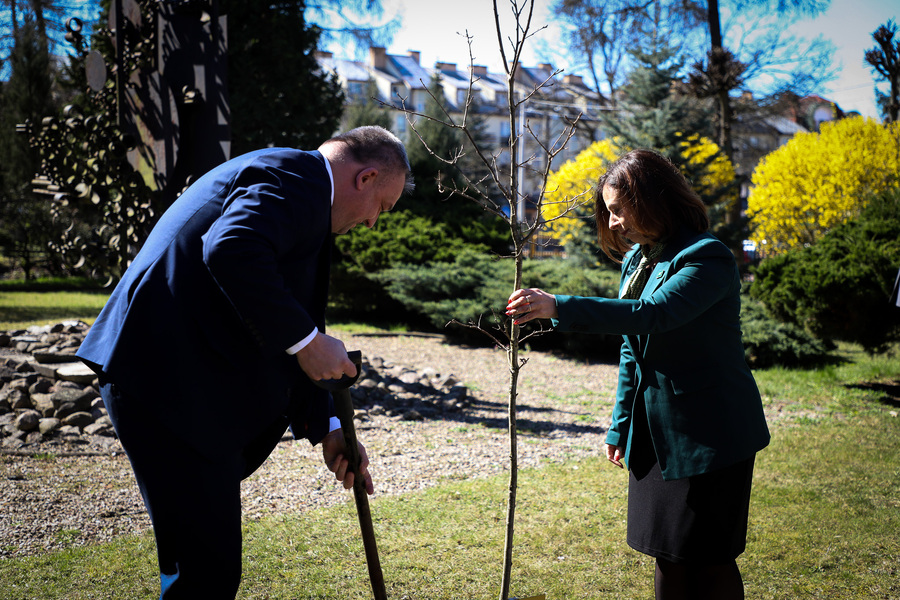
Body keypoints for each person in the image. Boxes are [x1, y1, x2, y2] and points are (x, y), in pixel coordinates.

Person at [77, 125, 414, 599]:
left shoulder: (303, 193)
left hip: (176, 388)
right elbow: (231, 247)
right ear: (366, 177)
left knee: (207, 571)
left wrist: (329, 427)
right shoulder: (295, 177)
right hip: (163, 384)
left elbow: (285, 312)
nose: (375, 222)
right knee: (203, 575)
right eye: (383, 206)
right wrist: (307, 341)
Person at [506, 149, 769, 600]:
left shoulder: (707, 258)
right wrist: (620, 424)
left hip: (712, 435)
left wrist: (558, 306)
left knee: (709, 558)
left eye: (618, 210)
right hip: (655, 435)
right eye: (608, 212)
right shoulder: (638, 260)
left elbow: (653, 314)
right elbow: (633, 349)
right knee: (667, 554)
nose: (612, 223)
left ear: (653, 199)